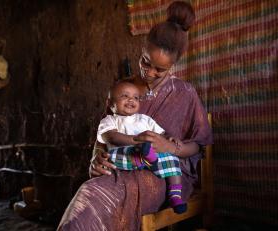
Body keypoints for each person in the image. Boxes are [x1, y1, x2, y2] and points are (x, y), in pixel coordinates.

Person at [58, 1, 213, 230]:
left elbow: (198, 146)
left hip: (165, 176)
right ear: (142, 50)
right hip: (121, 165)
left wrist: (169, 147)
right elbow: (104, 134)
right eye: (145, 62)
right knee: (90, 190)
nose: (149, 73)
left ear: (173, 66)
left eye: (159, 70)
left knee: (114, 192)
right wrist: (95, 158)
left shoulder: (185, 94)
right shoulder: (123, 90)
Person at [97, 80, 187, 214]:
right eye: (124, 96)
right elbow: (111, 137)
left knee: (172, 159)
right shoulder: (109, 120)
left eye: (135, 97)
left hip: (151, 156)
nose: (131, 100)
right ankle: (144, 157)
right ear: (110, 104)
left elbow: (161, 133)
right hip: (127, 157)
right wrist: (135, 141)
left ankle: (175, 195)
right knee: (113, 155)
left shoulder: (145, 119)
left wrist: (169, 137)